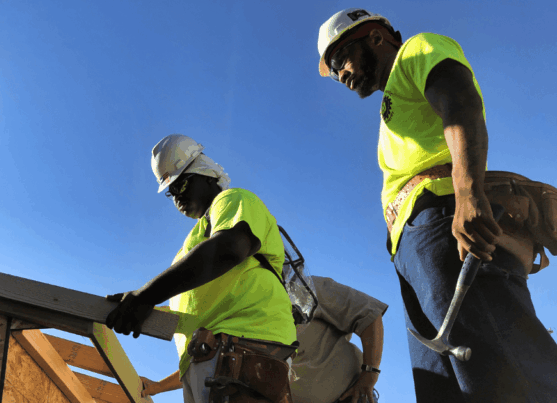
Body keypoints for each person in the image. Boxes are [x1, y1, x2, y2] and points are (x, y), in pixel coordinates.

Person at [316, 8, 557, 402]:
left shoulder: (417, 49)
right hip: (415, 248)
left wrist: (467, 192)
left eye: (340, 57)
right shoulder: (391, 103)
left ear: (375, 36)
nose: (340, 73)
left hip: (446, 222)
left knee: (506, 371)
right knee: (447, 389)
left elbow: (460, 100)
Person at [105, 134, 297, 403]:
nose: (176, 197)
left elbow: (229, 248)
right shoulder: (194, 242)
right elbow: (192, 303)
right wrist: (135, 306)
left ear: (207, 176)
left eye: (181, 185)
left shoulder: (233, 200)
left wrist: (145, 296)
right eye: (171, 192)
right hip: (211, 355)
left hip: (242, 347)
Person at [139, 276, 387, 403]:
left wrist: (370, 374)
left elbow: (368, 315)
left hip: (352, 396)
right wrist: (157, 387)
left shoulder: (300, 289)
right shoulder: (237, 318)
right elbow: (213, 362)